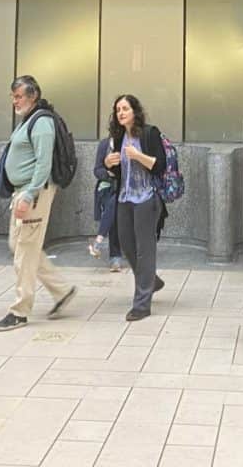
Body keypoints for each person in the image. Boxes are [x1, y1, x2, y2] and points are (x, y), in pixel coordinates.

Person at [0, 75, 77, 332]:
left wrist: (28, 195)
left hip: (34, 193)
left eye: (19, 96)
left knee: (24, 251)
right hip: (24, 191)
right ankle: (62, 291)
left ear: (33, 96)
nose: (15, 101)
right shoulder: (29, 120)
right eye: (13, 96)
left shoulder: (42, 123)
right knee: (17, 244)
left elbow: (43, 163)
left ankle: (19, 311)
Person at [105, 94, 166, 322]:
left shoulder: (150, 133)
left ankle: (142, 305)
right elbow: (119, 173)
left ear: (135, 111)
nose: (121, 113)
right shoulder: (118, 137)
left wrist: (138, 155)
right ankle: (152, 281)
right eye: (118, 109)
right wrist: (109, 166)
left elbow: (159, 166)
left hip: (146, 199)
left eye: (125, 109)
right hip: (124, 198)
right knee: (127, 246)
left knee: (144, 250)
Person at [89, 134, 123, 271]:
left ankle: (99, 241)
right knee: (113, 204)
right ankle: (115, 258)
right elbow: (97, 170)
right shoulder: (104, 145)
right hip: (106, 188)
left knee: (115, 204)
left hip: (124, 188)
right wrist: (108, 171)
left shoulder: (130, 145)